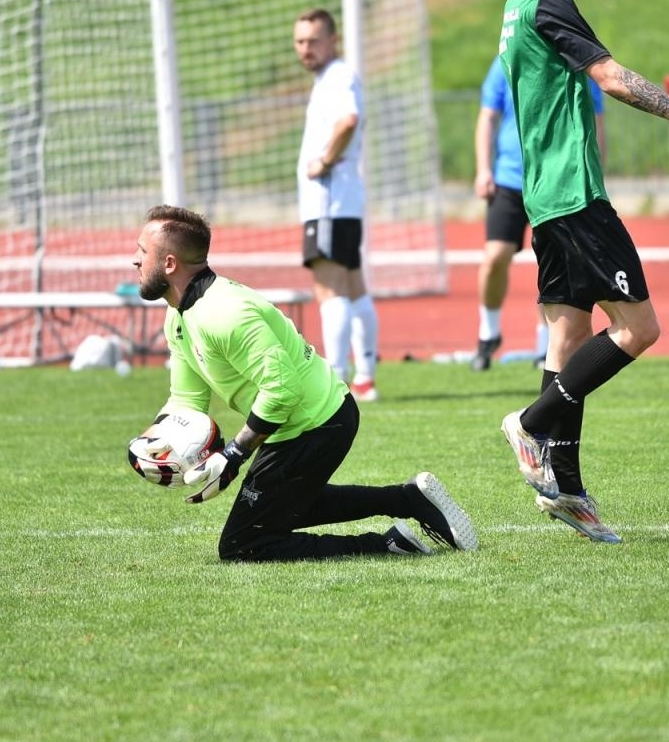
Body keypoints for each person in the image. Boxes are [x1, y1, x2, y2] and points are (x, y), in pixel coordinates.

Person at [481, 0, 669, 544]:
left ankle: (565, 489)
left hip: (545, 199)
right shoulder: (547, 0)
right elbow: (611, 77)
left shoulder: (511, 16)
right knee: (639, 328)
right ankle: (533, 421)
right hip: (574, 196)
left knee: (567, 338)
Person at [128, 205, 477, 562]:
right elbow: (186, 399)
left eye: (142, 251)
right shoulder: (178, 315)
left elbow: (284, 389)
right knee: (283, 506)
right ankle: (408, 499)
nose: (135, 261)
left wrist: (235, 453)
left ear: (170, 264)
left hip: (319, 421)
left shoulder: (224, 313)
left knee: (243, 544)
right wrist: (150, 440)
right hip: (290, 423)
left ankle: (387, 544)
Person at [471, 53, 606, 371]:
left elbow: (596, 125)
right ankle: (488, 332)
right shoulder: (506, 58)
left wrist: (595, 176)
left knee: (552, 265)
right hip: (509, 179)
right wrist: (482, 169)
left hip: (556, 182)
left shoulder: (578, 60)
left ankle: (544, 344)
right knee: (494, 257)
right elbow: (487, 117)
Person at [293, 8, 380, 402]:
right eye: (299, 41)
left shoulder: (339, 76)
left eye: (313, 40)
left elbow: (348, 120)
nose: (305, 49)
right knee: (352, 285)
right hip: (342, 200)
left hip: (330, 199)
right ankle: (364, 376)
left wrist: (324, 159)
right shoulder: (330, 78)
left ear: (333, 40)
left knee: (329, 287)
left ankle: (338, 378)